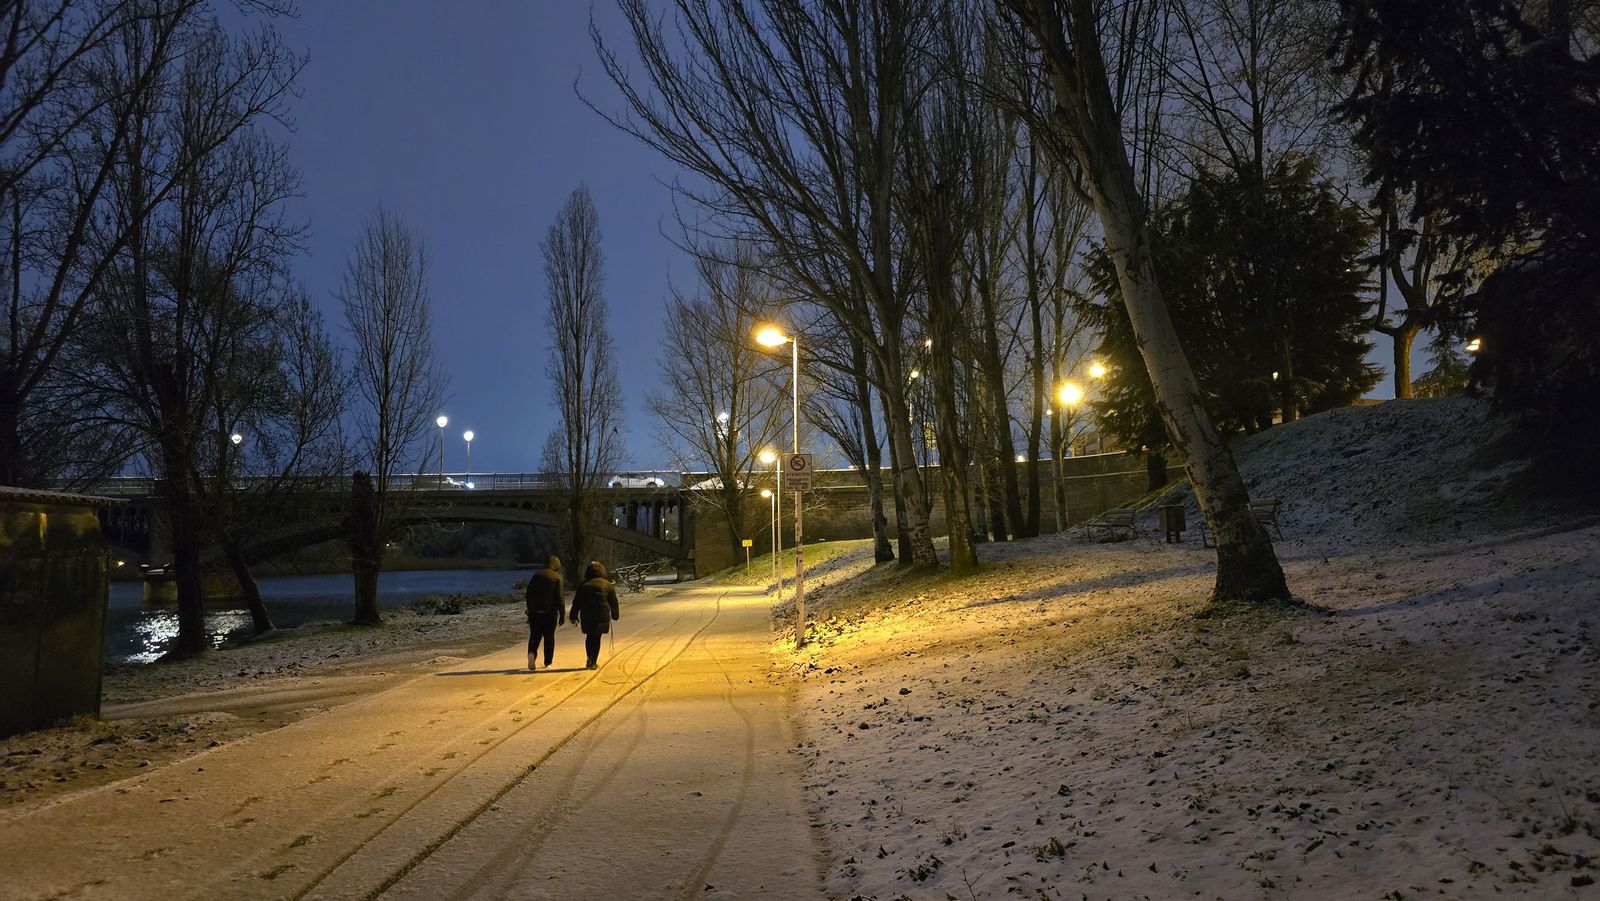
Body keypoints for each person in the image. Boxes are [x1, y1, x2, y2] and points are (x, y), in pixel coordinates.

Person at [568, 560, 620, 670]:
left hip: (587, 615)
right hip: (601, 615)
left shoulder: (583, 585)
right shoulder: (607, 585)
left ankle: (589, 658)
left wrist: (573, 616)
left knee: (589, 636)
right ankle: (593, 661)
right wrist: (615, 615)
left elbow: (576, 602)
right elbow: (613, 602)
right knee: (597, 637)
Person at [524, 556, 565, 671]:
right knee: (549, 637)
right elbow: (560, 598)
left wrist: (530, 609)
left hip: (535, 612)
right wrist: (562, 614)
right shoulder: (557, 577)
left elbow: (528, 594)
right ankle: (548, 662)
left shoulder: (536, 575)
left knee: (534, 635)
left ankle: (532, 654)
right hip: (550, 612)